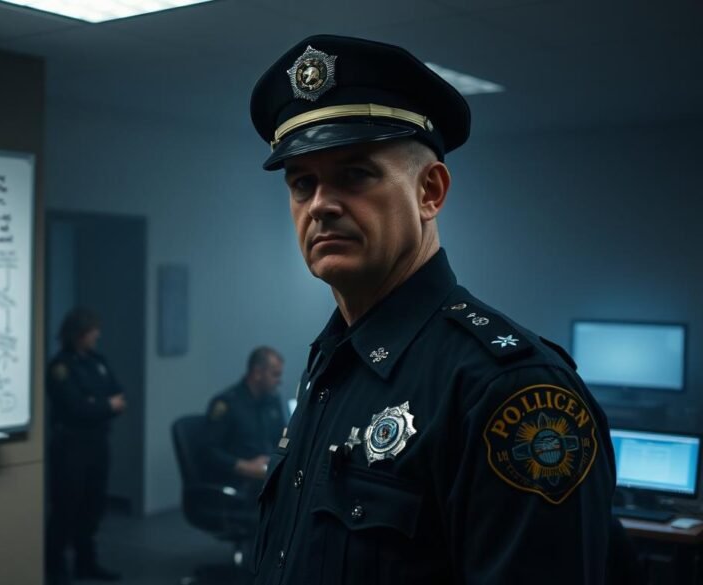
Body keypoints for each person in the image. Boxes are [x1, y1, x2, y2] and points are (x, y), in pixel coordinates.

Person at [246, 35, 616, 584]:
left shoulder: (509, 391)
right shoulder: (333, 362)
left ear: (430, 192)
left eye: (356, 174)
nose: (321, 204)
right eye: (303, 183)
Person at [45, 308, 125, 584]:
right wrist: (102, 405)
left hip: (97, 443)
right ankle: (55, 567)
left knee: (93, 505)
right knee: (66, 506)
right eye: (92, 331)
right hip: (70, 446)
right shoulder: (61, 367)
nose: (97, 335)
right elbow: (74, 408)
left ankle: (85, 562)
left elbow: (118, 396)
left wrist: (96, 405)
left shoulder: (97, 362)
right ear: (79, 334)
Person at [203, 347, 287, 489]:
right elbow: (209, 452)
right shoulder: (227, 404)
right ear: (257, 373)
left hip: (268, 474)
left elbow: (282, 437)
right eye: (275, 375)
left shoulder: (272, 401)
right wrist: (245, 466)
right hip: (239, 480)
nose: (279, 381)